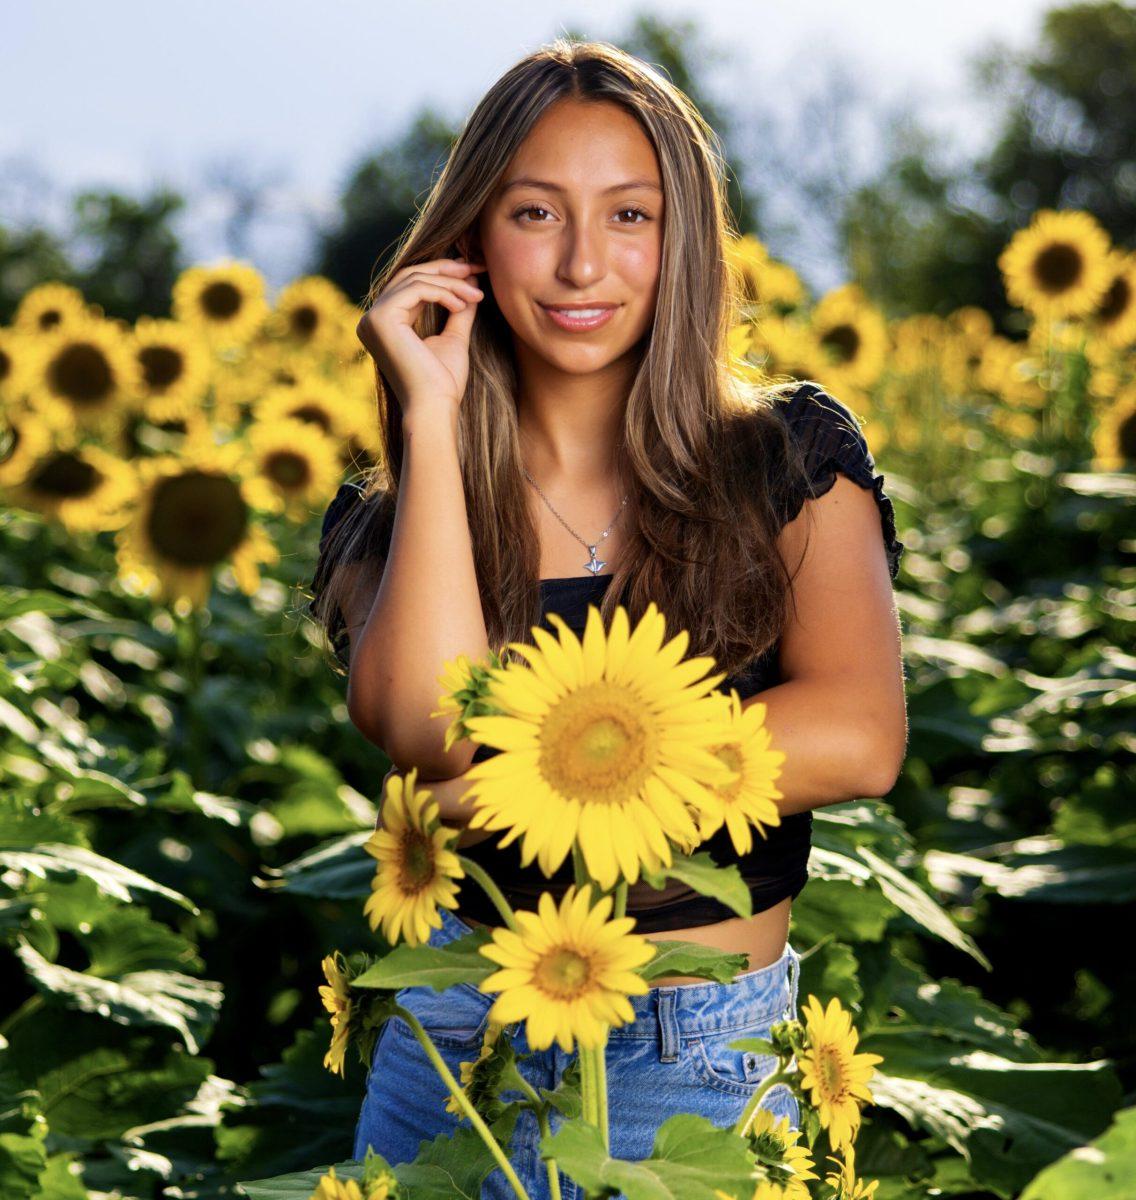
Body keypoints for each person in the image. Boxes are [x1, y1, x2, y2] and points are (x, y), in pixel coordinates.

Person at [306, 37, 907, 1200]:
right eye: (535, 213)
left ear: (680, 240)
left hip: (696, 1053)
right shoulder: (394, 518)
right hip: (453, 1051)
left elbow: (854, 734)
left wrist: (517, 788)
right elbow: (427, 737)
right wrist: (430, 428)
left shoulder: (780, 459)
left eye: (628, 216)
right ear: (471, 240)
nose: (583, 263)